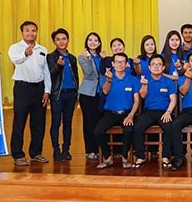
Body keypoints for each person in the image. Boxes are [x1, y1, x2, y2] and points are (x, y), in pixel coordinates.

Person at [8, 21, 51, 166]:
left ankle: (36, 153)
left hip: (39, 89)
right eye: (27, 30)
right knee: (19, 122)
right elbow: (15, 60)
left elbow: (46, 72)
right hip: (22, 88)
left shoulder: (42, 49)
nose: (30, 33)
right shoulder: (15, 48)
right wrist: (25, 53)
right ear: (22, 33)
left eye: (33, 30)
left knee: (39, 123)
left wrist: (47, 91)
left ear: (36, 32)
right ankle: (17, 155)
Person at [93, 52, 141, 169]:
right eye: (117, 62)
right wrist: (109, 80)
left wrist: (131, 115)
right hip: (110, 113)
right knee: (97, 131)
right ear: (113, 64)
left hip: (127, 113)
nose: (120, 64)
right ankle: (107, 157)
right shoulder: (107, 77)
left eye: (122, 62)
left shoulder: (133, 80)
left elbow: (136, 100)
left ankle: (125, 157)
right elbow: (104, 92)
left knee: (129, 130)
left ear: (126, 64)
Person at [132, 54, 178, 168]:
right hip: (149, 112)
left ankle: (166, 157)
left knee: (170, 127)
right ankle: (140, 157)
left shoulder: (169, 81)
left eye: (159, 64)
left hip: (164, 111)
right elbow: (142, 96)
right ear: (149, 67)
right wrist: (144, 85)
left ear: (163, 67)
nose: (156, 67)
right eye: (153, 64)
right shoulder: (145, 79)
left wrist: (168, 112)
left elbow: (173, 99)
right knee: (137, 128)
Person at [46, 28, 79, 162]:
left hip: (71, 95)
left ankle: (66, 149)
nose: (61, 42)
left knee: (68, 123)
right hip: (58, 95)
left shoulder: (72, 58)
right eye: (58, 39)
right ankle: (56, 150)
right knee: (56, 123)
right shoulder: (51, 57)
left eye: (64, 39)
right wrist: (59, 66)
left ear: (68, 40)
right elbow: (51, 74)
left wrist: (77, 95)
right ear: (54, 42)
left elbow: (76, 77)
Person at [78, 32, 104, 161]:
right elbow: (88, 73)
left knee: (100, 122)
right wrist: (89, 58)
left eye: (95, 40)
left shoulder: (102, 57)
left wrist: (104, 60)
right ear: (87, 42)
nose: (92, 42)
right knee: (89, 123)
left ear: (99, 43)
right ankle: (90, 150)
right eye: (90, 40)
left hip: (101, 94)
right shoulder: (82, 57)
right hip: (87, 94)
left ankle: (99, 149)